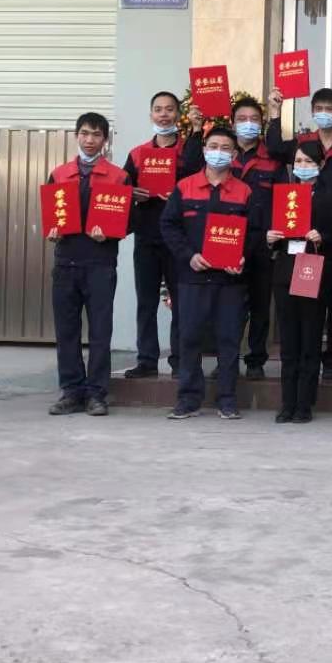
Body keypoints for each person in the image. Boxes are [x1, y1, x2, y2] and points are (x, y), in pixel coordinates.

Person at [265, 85, 332, 381]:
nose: (324, 114)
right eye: (319, 109)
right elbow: (274, 148)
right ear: (312, 112)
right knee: (307, 304)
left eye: (329, 110)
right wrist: (275, 112)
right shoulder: (303, 143)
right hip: (303, 242)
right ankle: (303, 359)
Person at [161, 125, 260, 421]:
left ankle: (227, 399)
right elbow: (168, 225)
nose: (219, 152)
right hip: (192, 277)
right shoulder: (184, 187)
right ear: (204, 150)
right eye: (213, 146)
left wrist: (242, 257)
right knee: (189, 338)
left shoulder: (244, 191)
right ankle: (188, 399)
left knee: (229, 340)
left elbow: (255, 231)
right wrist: (188, 256)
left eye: (226, 148)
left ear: (234, 154)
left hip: (230, 280)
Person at [181, 96, 282, 380]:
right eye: (242, 119)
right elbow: (191, 168)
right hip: (222, 245)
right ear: (233, 123)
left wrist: (275, 237)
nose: (248, 124)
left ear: (262, 124)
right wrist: (196, 129)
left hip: (260, 243)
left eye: (254, 119)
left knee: (260, 305)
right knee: (228, 308)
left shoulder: (273, 160)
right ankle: (226, 361)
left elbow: (284, 201)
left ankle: (255, 360)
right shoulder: (221, 154)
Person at [45, 112, 130, 417]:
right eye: (84, 133)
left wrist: (110, 232)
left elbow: (129, 220)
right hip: (65, 262)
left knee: (100, 333)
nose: (90, 140)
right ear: (76, 136)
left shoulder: (118, 177)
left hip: (100, 264)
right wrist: (53, 231)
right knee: (66, 331)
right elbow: (52, 214)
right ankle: (71, 392)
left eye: (96, 134)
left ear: (105, 139)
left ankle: (96, 394)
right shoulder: (59, 174)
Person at [266, 140, 332, 424]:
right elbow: (268, 231)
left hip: (313, 269)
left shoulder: (331, 195)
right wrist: (269, 238)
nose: (303, 166)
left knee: (310, 338)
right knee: (289, 342)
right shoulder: (283, 194)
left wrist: (322, 237)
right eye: (298, 162)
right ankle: (287, 402)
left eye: (309, 162)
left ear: (321, 165)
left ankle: (304, 403)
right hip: (285, 270)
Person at [122, 91, 183, 380]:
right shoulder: (137, 154)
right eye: (158, 109)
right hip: (146, 237)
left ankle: (180, 360)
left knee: (181, 301)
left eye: (169, 109)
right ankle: (146, 360)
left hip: (178, 239)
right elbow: (120, 191)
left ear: (178, 115)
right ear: (151, 115)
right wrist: (131, 193)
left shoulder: (189, 153)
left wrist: (179, 196)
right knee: (146, 301)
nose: (163, 114)